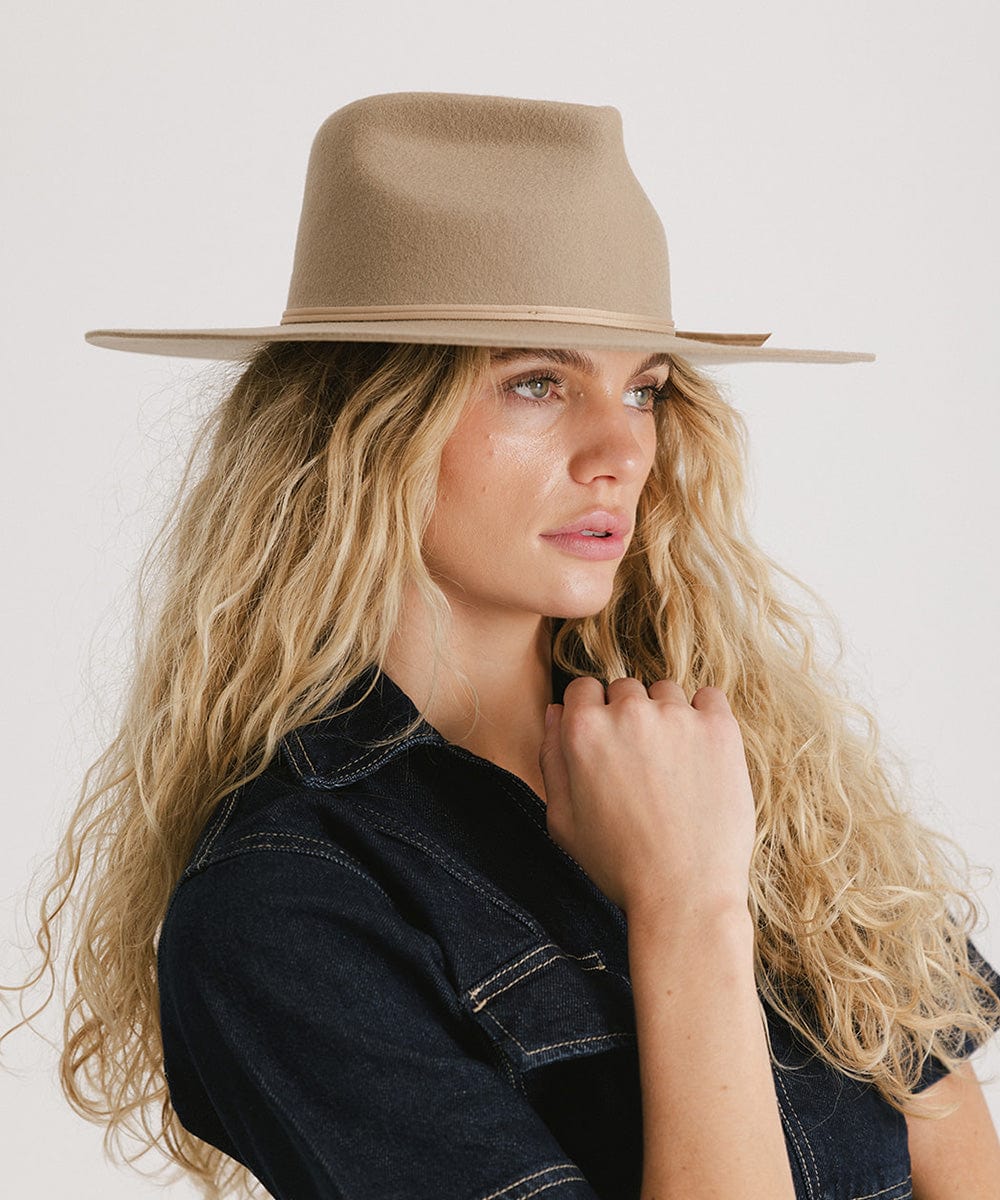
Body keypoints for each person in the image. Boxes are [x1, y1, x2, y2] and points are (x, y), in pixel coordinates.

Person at [3, 90, 1000, 1200]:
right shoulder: (285, 907)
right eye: (537, 382)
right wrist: (687, 906)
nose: (620, 451)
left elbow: (949, 1137)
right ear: (360, 430)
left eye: (645, 390)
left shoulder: (723, 748)